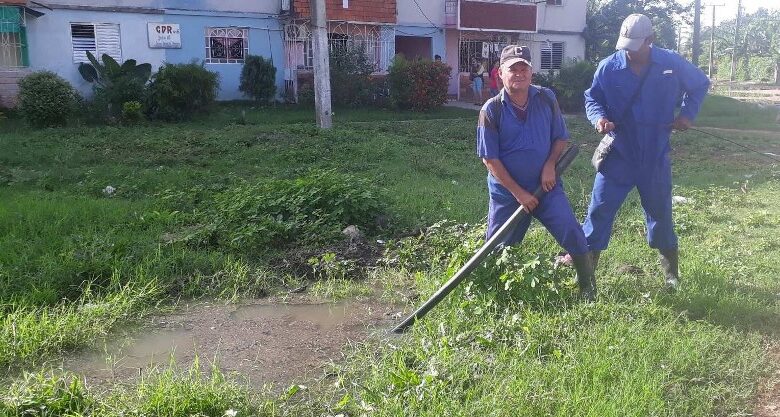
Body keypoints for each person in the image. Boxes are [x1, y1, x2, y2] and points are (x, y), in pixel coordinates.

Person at [574, 13, 710, 290]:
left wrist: (687, 115)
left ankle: (671, 273)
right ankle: (586, 276)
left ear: (650, 40)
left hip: (655, 155)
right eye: (625, 44)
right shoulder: (609, 67)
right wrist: (598, 118)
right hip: (619, 155)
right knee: (599, 211)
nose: (628, 51)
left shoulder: (670, 62)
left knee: (661, 212)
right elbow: (592, 98)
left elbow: (699, 85)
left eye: (635, 45)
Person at [476, 45, 596, 301]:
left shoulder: (546, 98)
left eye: (524, 68)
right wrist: (519, 194)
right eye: (513, 69)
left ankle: (587, 286)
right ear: (500, 73)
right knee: (498, 248)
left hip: (546, 186)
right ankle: (497, 295)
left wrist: (550, 164)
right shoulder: (491, 110)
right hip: (508, 194)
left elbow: (560, 138)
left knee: (571, 231)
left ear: (531, 72)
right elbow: (490, 159)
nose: (519, 74)